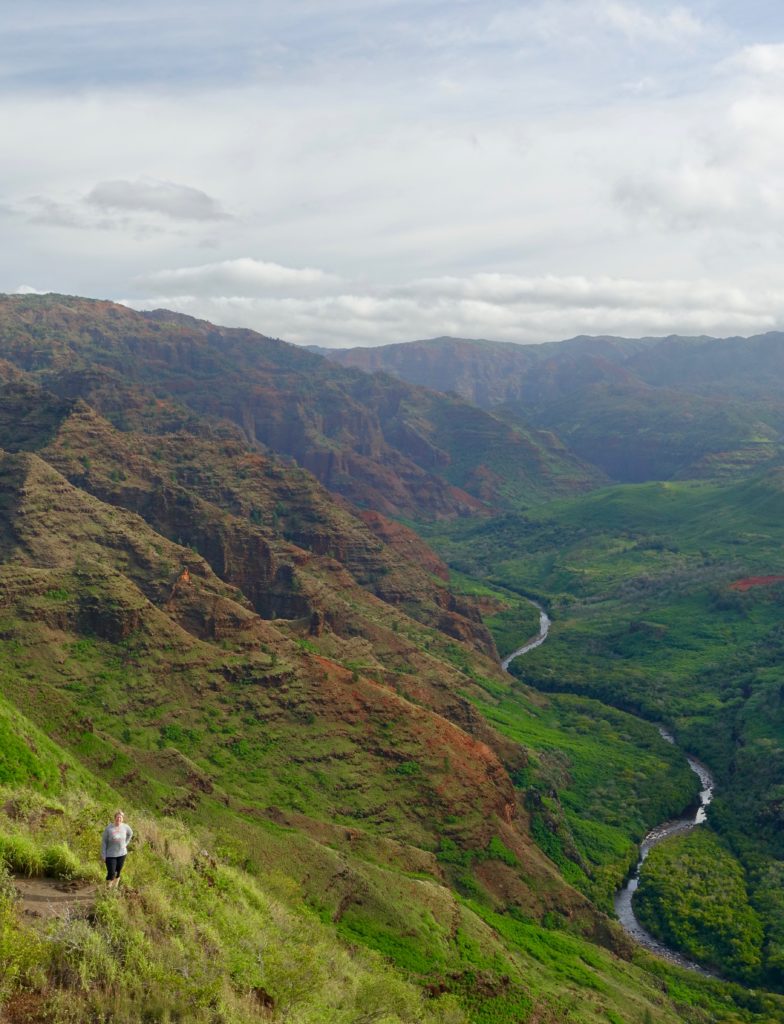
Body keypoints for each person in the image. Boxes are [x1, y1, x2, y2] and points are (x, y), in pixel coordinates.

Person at [101, 809, 133, 888]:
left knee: (118, 871)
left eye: (120, 818)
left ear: (122, 819)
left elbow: (130, 834)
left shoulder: (125, 827)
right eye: (117, 817)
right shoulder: (109, 828)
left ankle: (114, 888)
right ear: (114, 818)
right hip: (110, 854)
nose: (119, 819)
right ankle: (108, 887)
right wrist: (103, 855)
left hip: (122, 854)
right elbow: (104, 842)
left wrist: (125, 844)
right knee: (111, 872)